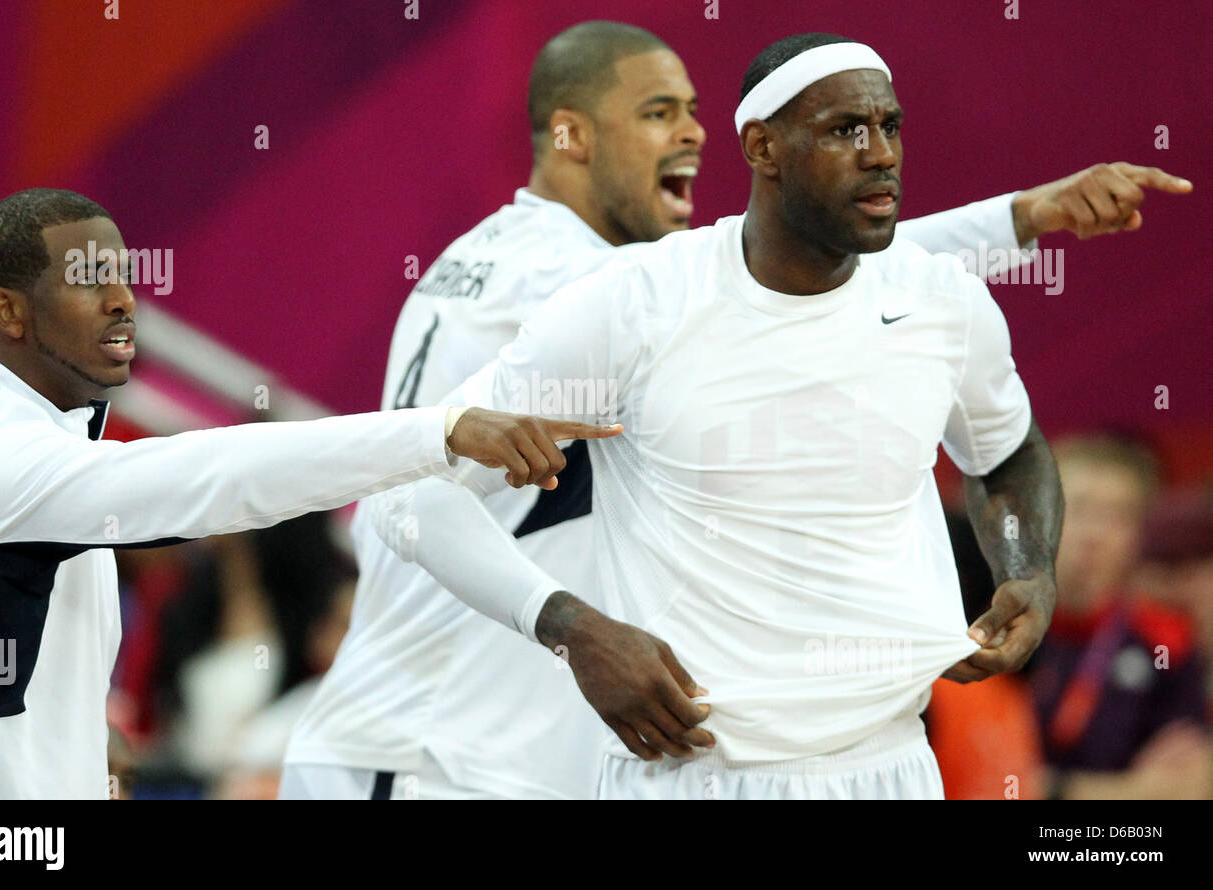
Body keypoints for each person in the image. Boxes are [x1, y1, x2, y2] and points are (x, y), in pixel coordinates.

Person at [283, 21, 1190, 799]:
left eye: (691, 109)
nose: (692, 133)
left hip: (624, 742)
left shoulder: (550, 261)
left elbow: (823, 271)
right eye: (656, 113)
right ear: (570, 136)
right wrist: (1015, 221)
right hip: (426, 740)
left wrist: (1004, 227)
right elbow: (779, 271)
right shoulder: (580, 285)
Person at [0, 187, 624, 799]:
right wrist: (440, 431)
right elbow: (219, 475)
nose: (124, 299)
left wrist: (76, 731)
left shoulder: (35, 447)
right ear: (8, 312)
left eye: (124, 276)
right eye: (91, 279)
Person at [1031, 435, 1212, 799]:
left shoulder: (1166, 642)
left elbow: (1188, 788)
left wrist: (1050, 789)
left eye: (1116, 516)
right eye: (1078, 509)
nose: (1095, 534)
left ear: (1138, 533)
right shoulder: (994, 631)